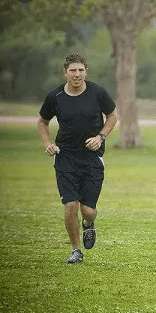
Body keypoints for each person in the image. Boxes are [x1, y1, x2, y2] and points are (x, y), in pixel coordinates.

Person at [37, 52, 118, 264]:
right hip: (65, 157)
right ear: (65, 72)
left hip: (92, 157)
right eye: (73, 70)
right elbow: (42, 122)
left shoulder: (97, 92)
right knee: (70, 205)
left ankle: (88, 225)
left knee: (88, 211)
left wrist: (100, 137)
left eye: (81, 70)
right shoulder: (55, 97)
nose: (77, 74)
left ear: (86, 72)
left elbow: (112, 116)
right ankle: (75, 250)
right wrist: (48, 144)